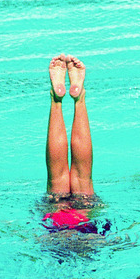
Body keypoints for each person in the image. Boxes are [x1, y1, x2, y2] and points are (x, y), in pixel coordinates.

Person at [42, 54, 107, 237]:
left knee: (81, 179)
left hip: (72, 225)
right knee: (59, 180)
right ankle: (74, 98)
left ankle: (62, 99)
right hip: (70, 225)